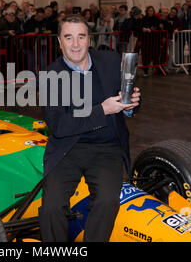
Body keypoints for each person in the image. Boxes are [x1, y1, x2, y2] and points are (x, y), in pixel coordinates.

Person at [39, 14, 141, 242]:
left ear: (89, 40)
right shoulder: (51, 76)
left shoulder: (112, 61)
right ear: (59, 41)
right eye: (68, 37)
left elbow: (129, 100)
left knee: (107, 201)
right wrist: (101, 110)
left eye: (81, 37)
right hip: (68, 150)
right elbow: (59, 125)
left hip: (107, 149)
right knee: (51, 208)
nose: (75, 44)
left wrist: (130, 105)